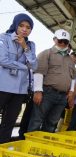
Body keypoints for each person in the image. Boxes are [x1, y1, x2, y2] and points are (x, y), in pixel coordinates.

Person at [28, 29, 76, 133]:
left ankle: (44, 146)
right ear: (54, 39)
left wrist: (71, 91)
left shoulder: (70, 59)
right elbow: (39, 72)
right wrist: (37, 91)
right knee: (37, 120)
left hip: (63, 96)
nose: (63, 44)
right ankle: (29, 145)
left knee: (52, 123)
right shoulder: (46, 53)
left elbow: (73, 76)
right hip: (47, 92)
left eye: (66, 42)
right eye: (60, 41)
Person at [0, 13, 37, 143]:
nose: (24, 29)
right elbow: (3, 60)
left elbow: (34, 65)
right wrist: (24, 67)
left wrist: (25, 47)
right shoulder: (4, 38)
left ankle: (2, 148)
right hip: (3, 87)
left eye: (28, 27)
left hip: (20, 90)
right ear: (16, 25)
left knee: (9, 122)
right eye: (21, 25)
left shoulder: (30, 45)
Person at [56, 50, 76, 132]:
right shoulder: (61, 65)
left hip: (67, 96)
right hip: (55, 92)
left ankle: (57, 131)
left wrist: (72, 96)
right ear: (70, 56)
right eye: (74, 57)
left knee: (62, 115)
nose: (75, 60)